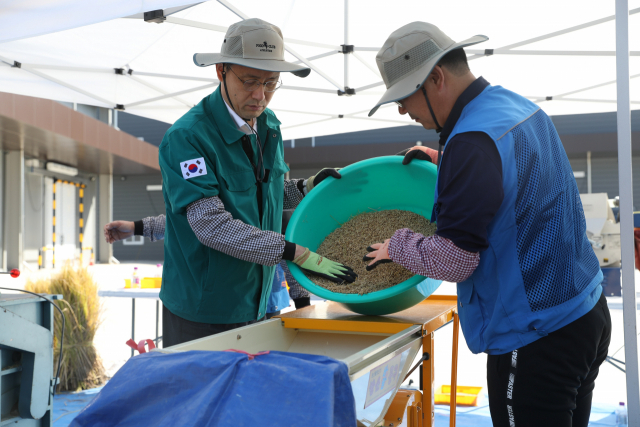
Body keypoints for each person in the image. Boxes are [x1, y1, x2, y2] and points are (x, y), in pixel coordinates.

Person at [363, 22, 611, 427]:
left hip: (536, 339)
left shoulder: (471, 143)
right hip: (586, 311)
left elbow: (455, 261)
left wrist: (397, 245)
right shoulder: (516, 108)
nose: (403, 110)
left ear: (436, 78)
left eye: (405, 98)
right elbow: (515, 181)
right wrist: (442, 160)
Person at [118, 18, 356, 348]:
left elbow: (266, 193)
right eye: (249, 81)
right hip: (204, 311)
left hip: (256, 303)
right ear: (221, 72)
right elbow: (210, 225)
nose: (260, 95)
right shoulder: (188, 139)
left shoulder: (268, 125)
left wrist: (306, 187)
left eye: (271, 83)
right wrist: (292, 252)